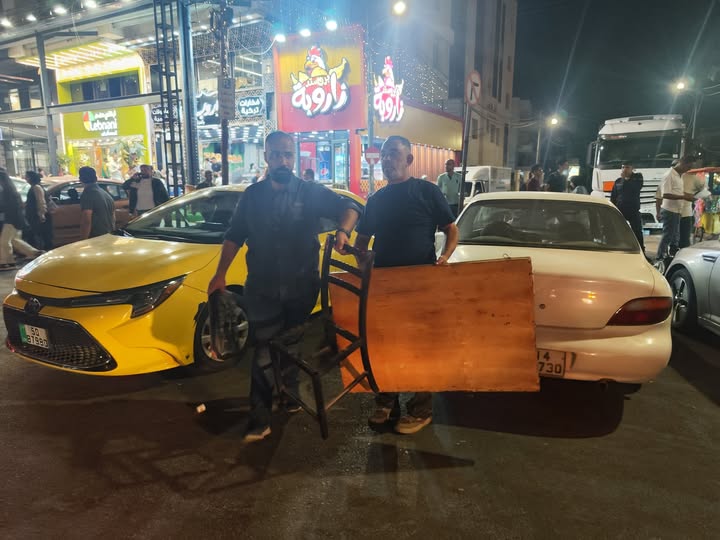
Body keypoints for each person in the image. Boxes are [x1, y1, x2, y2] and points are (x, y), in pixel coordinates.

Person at [207, 131, 361, 443]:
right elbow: (234, 235)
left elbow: (350, 207)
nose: (283, 160)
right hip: (262, 288)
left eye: (288, 154)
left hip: (301, 287)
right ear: (266, 157)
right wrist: (219, 274)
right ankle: (260, 418)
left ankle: (289, 394)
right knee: (264, 350)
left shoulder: (310, 192)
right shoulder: (252, 196)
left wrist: (343, 231)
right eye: (276, 154)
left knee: (291, 344)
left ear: (294, 157)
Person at [353, 135, 459, 435]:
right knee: (385, 345)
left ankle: (421, 409)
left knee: (420, 346)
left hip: (420, 283)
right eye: (384, 154)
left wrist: (445, 257)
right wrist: (363, 263)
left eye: (394, 154)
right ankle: (386, 402)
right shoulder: (376, 200)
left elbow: (451, 230)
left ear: (409, 159)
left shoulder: (427, 191)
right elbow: (362, 242)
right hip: (384, 286)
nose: (388, 160)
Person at [0, 168, 42, 270]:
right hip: (15, 219)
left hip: (10, 219)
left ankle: (6, 262)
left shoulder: (6, 191)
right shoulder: (10, 189)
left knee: (4, 241)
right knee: (14, 240)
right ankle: (34, 252)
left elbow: (6, 207)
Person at [656, 155, 696, 261]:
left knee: (675, 237)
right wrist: (684, 197)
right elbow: (665, 194)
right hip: (669, 210)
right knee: (668, 236)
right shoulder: (669, 175)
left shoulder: (679, 176)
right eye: (688, 167)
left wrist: (688, 195)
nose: (688, 170)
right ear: (682, 163)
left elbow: (677, 192)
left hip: (677, 211)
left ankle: (671, 256)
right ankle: (660, 257)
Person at [610, 162, 644, 250]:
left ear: (632, 168)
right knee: (617, 231)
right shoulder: (618, 181)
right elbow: (613, 196)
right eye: (623, 167)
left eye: (627, 167)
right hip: (620, 210)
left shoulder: (638, 178)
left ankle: (641, 250)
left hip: (633, 211)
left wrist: (625, 179)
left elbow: (635, 188)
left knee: (637, 232)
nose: (624, 169)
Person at [78, 166, 116, 240]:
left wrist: (83, 240)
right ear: (95, 178)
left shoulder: (88, 193)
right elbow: (113, 217)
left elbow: (87, 219)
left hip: (96, 237)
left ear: (80, 179)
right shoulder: (106, 194)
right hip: (108, 234)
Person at [24, 170, 54, 250]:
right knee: (43, 237)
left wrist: (42, 215)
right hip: (36, 217)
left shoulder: (36, 187)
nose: (25, 178)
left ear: (30, 178)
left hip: (38, 217)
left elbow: (41, 202)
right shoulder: (35, 187)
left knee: (42, 237)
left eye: (26, 177)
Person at [679, 170, 706, 248]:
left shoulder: (675, 177)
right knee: (684, 237)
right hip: (683, 212)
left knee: (678, 236)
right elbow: (703, 188)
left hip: (679, 212)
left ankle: (676, 250)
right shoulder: (692, 177)